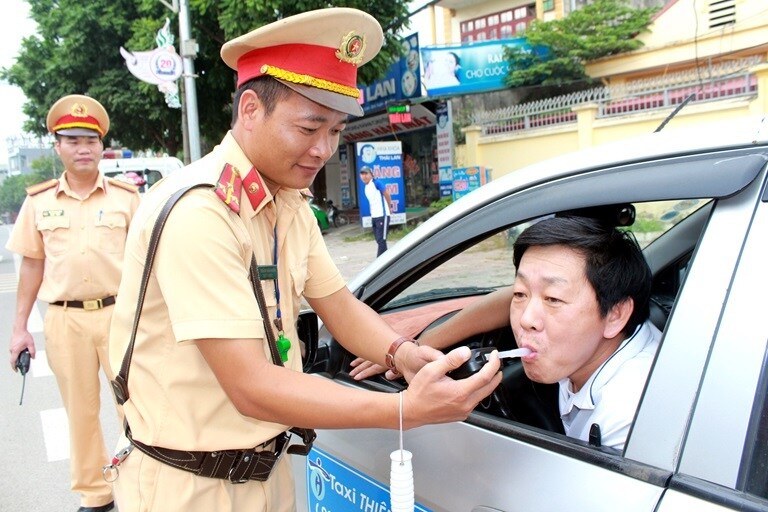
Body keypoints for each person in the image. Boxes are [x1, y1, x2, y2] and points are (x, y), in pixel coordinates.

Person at [107, 8, 501, 512]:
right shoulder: (200, 212)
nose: (323, 149)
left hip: (267, 472)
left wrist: (400, 352)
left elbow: (340, 306)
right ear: (250, 110)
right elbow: (251, 386)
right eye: (309, 127)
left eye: (335, 130)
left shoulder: (290, 204)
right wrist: (404, 409)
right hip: (188, 486)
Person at [351, 215, 660, 451]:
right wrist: (415, 347)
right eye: (520, 294)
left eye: (553, 299)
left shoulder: (633, 416)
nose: (526, 319)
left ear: (616, 314)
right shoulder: (594, 344)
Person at [7, 94, 140, 512]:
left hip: (121, 316)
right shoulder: (39, 201)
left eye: (91, 140)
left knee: (135, 407)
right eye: (73, 140)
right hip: (65, 321)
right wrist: (19, 328)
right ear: (57, 147)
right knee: (80, 414)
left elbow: (149, 263)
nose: (83, 148)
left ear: (103, 146)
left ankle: (138, 486)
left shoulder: (127, 197)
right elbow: (31, 265)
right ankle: (96, 496)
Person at [359, 165, 392, 256]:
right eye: (362, 174)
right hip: (374, 216)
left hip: (382, 215)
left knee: (381, 239)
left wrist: (389, 207)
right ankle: (386, 259)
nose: (364, 176)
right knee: (379, 239)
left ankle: (380, 261)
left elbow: (386, 194)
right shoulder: (366, 187)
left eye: (366, 173)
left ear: (371, 174)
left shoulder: (376, 183)